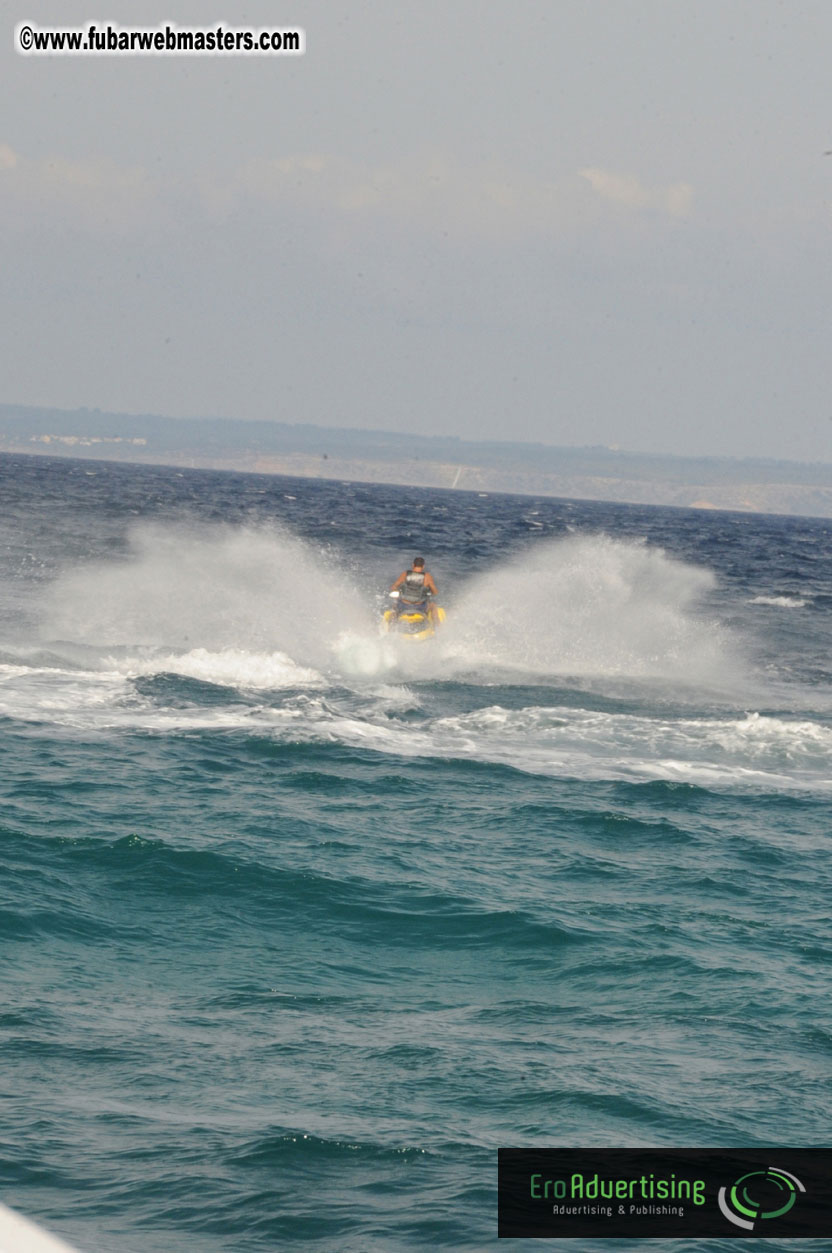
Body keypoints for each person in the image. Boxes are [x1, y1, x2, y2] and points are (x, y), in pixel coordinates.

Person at [390, 557, 441, 627]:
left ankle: (391, 626)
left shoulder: (405, 574)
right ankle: (437, 627)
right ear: (423, 566)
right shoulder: (428, 576)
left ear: (413, 565)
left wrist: (398, 591)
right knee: (433, 606)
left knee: (394, 606)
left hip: (404, 606)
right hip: (419, 607)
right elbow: (435, 592)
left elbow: (393, 587)